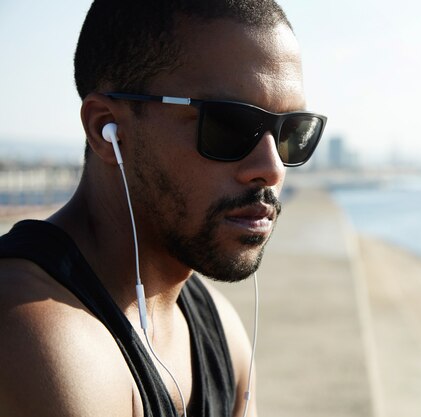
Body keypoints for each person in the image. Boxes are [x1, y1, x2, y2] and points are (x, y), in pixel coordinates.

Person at [0, 1, 326, 416]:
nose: (272, 168)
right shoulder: (37, 331)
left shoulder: (221, 332)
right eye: (228, 125)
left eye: (291, 132)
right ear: (106, 129)